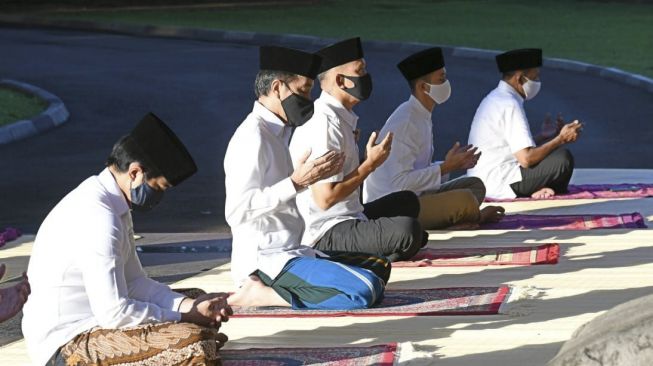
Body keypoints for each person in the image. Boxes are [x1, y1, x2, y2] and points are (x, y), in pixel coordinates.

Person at [22, 113, 231, 366]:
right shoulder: (99, 216)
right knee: (192, 339)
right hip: (66, 343)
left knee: (196, 298)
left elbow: (134, 283)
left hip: (98, 321)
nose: (158, 197)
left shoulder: (114, 204)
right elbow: (114, 313)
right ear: (135, 172)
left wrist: (190, 306)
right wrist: (185, 317)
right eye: (159, 188)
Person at [225, 45, 390, 310]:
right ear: (278, 87)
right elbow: (237, 211)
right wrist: (297, 182)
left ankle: (302, 283)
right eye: (303, 91)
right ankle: (261, 294)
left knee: (379, 267)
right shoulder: (251, 137)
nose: (308, 99)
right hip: (267, 259)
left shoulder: (279, 132)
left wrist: (311, 176)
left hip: (294, 249)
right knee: (366, 288)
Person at [289, 37, 426, 262]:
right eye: (360, 71)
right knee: (408, 231)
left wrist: (364, 161)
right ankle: (348, 255)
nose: (366, 77)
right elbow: (325, 199)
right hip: (324, 232)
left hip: (350, 215)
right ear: (342, 80)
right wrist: (369, 165)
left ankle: (379, 247)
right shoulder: (325, 125)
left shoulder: (340, 117)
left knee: (407, 202)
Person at [363, 47, 505, 230]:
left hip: (414, 196)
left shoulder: (420, 115)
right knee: (465, 200)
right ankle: (472, 217)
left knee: (474, 186)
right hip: (393, 209)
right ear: (423, 87)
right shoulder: (407, 121)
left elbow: (416, 171)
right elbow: (399, 184)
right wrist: (446, 166)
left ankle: (458, 218)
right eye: (441, 79)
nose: (446, 83)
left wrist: (450, 164)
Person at [468, 48, 582, 200]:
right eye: (535, 77)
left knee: (555, 156)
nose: (537, 82)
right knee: (563, 159)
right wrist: (560, 139)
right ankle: (534, 188)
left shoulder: (497, 97)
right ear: (519, 78)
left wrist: (544, 137)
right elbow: (526, 159)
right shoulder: (509, 104)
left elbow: (511, 149)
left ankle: (539, 187)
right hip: (499, 181)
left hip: (487, 178)